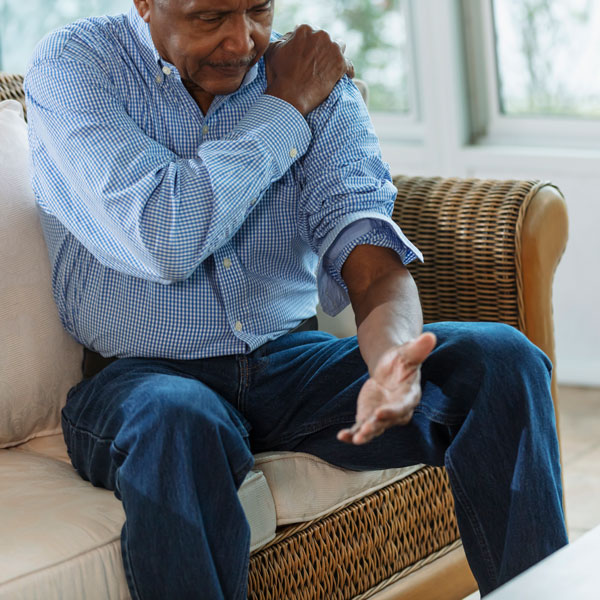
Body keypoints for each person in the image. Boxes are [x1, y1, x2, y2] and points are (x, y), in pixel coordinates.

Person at [24, 0, 568, 598]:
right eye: (210, 18)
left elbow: (369, 260)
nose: (241, 42)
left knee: (501, 362)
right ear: (145, 3)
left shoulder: (314, 77)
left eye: (257, 9)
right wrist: (284, 112)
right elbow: (163, 237)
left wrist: (391, 357)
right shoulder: (80, 67)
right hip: (139, 380)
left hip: (284, 363)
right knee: (177, 421)